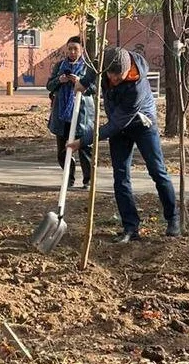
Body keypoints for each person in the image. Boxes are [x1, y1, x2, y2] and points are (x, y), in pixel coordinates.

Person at [70, 47, 179, 241]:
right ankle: (130, 228)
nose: (113, 81)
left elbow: (115, 125)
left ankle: (173, 219)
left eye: (118, 78)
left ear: (127, 71)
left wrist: (83, 141)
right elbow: (94, 65)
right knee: (120, 177)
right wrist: (84, 83)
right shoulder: (106, 61)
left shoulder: (137, 87)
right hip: (117, 123)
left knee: (157, 171)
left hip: (142, 124)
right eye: (110, 77)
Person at [46, 36, 95, 189]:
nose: (72, 52)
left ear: (81, 50)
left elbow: (94, 89)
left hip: (81, 114)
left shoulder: (88, 67)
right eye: (70, 49)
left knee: (85, 149)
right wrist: (59, 81)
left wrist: (80, 81)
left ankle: (88, 180)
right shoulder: (60, 65)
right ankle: (69, 178)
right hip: (61, 114)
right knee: (62, 150)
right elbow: (49, 86)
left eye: (76, 49)